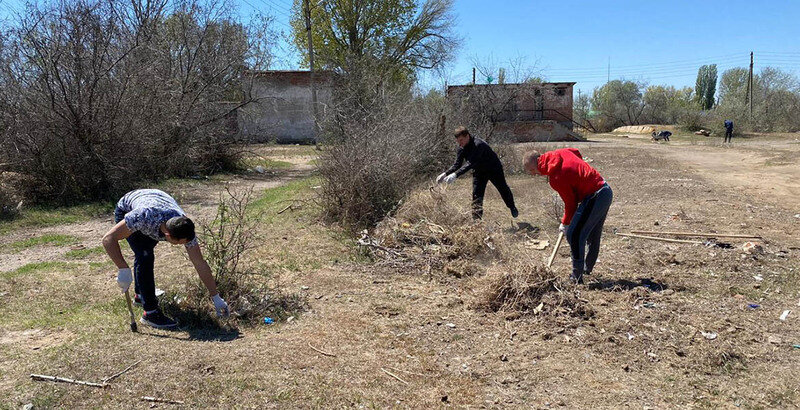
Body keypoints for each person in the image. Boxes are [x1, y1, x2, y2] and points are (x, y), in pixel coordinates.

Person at [102, 189, 229, 329]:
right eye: (180, 243)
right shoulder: (142, 217)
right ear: (167, 235)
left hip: (158, 200)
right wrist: (123, 268)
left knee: (145, 252)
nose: (184, 245)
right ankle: (150, 313)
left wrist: (216, 297)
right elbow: (108, 238)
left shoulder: (183, 225)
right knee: (144, 255)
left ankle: (140, 296)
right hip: (127, 207)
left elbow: (199, 262)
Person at [523, 148, 612, 284]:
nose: (533, 174)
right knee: (592, 233)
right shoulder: (560, 152)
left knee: (574, 235)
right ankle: (586, 269)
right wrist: (579, 175)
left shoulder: (556, 177)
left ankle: (576, 277)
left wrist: (565, 223)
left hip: (595, 196)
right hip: (605, 190)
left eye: (532, 171)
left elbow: (571, 203)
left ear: (536, 165)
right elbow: (576, 152)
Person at [436, 126, 519, 220]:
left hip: (493, 169)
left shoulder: (479, 144)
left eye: (461, 140)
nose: (460, 143)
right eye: (458, 141)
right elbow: (457, 164)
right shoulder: (461, 148)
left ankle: (512, 206)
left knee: (503, 188)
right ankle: (477, 221)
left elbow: (470, 163)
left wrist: (456, 175)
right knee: (476, 195)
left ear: (467, 136)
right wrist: (445, 174)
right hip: (479, 172)